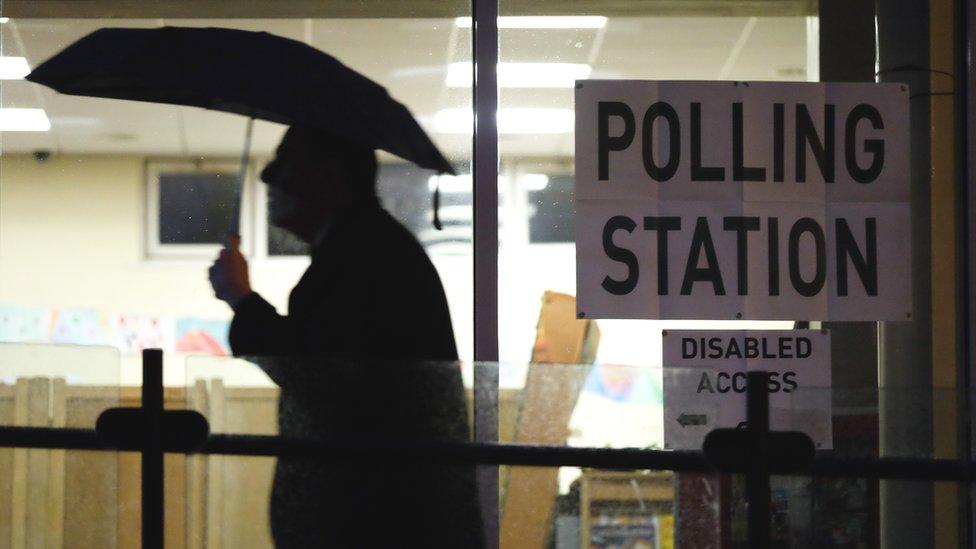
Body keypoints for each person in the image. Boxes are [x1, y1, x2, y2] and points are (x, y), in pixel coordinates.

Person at [209, 126, 483, 548]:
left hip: (378, 519)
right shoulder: (365, 247)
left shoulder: (361, 256)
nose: (269, 178)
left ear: (329, 176)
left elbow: (320, 374)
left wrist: (243, 300)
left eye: (286, 163)